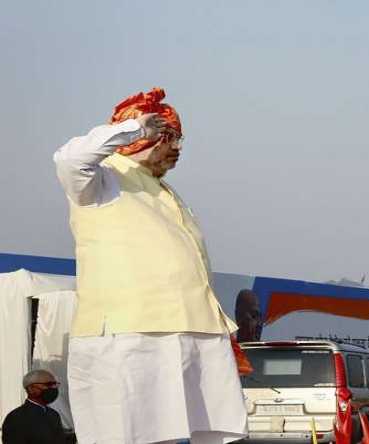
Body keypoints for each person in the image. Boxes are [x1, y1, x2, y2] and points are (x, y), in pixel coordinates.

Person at [53, 88, 247, 444]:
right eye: (167, 137)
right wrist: (133, 129)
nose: (176, 148)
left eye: (178, 138)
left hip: (193, 329)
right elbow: (68, 159)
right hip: (129, 333)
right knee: (124, 434)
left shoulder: (165, 191)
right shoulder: (101, 180)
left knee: (194, 434)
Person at [1, 370, 68, 444]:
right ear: (31, 388)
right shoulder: (16, 417)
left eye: (55, 384)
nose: (53, 388)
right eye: (48, 384)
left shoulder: (54, 414)